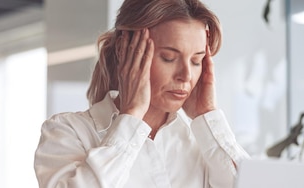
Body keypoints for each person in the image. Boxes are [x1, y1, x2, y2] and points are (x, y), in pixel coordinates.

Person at [34, 0, 250, 187]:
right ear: (123, 50)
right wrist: (132, 115)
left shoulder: (201, 142)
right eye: (168, 58)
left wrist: (208, 114)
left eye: (196, 61)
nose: (186, 75)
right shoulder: (67, 133)